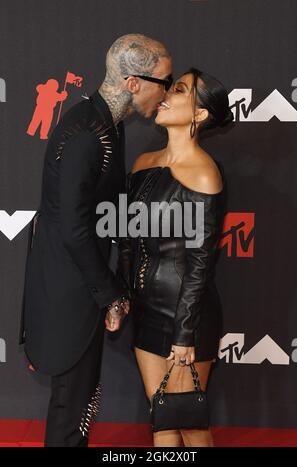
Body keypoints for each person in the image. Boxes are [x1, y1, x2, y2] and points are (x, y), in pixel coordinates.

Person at [19, 33, 172, 447]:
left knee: (82, 405)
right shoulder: (89, 133)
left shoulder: (107, 125)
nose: (168, 90)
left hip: (81, 286)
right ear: (134, 83)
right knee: (72, 412)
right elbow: (74, 227)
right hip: (68, 294)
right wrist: (110, 294)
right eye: (164, 80)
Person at [117, 67, 233, 447]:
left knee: (190, 427)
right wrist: (121, 296)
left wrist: (184, 336)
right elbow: (129, 241)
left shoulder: (204, 174)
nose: (166, 93)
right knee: (161, 421)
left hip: (186, 318)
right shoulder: (143, 163)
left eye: (179, 90)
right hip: (146, 309)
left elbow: (200, 266)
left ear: (199, 114)